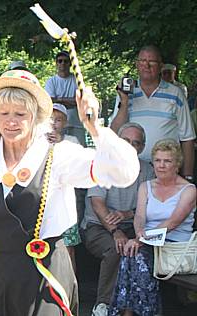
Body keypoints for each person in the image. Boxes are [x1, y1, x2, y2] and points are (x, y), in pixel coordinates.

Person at [0, 69, 140, 315]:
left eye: (20, 114)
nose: (10, 122)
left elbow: (124, 172)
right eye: (3, 113)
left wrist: (95, 127)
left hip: (46, 277)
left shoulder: (59, 155)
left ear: (36, 116)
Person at [110, 139, 196, 316]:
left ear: (177, 164)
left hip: (173, 244)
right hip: (148, 241)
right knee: (131, 253)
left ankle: (135, 312)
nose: (161, 165)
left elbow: (173, 222)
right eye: (158, 160)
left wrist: (141, 238)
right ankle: (137, 312)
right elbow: (140, 216)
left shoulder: (189, 189)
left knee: (137, 255)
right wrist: (140, 233)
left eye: (167, 161)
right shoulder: (146, 186)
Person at [82, 122, 155, 316]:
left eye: (136, 143)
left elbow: (150, 205)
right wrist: (116, 231)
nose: (131, 146)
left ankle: (136, 308)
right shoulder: (103, 164)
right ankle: (103, 306)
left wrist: (127, 215)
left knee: (144, 250)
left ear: (142, 147)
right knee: (117, 249)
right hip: (98, 226)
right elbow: (97, 203)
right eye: (126, 141)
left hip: (133, 225)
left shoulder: (147, 170)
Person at [110, 45, 195, 180]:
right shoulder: (125, 93)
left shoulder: (176, 94)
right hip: (133, 169)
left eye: (152, 62)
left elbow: (188, 138)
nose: (147, 65)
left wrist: (188, 176)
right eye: (142, 61)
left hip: (166, 168)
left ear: (160, 66)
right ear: (137, 65)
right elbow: (114, 132)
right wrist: (124, 102)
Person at [46, 103, 83, 273]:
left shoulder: (72, 141)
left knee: (68, 248)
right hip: (42, 207)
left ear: (66, 123)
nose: (54, 123)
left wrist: (59, 143)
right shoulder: (35, 142)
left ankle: (71, 288)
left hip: (64, 205)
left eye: (58, 119)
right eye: (50, 118)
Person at [45, 51, 84, 145]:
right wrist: (69, 101)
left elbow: (79, 100)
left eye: (66, 61)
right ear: (56, 63)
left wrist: (59, 100)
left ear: (70, 64)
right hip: (56, 124)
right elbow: (49, 100)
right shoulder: (51, 81)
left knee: (79, 149)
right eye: (60, 61)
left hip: (76, 123)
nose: (62, 63)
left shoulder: (77, 80)